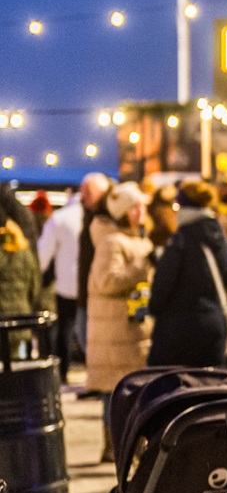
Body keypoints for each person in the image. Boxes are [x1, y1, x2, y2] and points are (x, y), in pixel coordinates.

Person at [86, 182, 154, 463]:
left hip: (133, 328)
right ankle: (114, 445)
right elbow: (105, 281)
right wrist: (142, 267)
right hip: (114, 330)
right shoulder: (112, 242)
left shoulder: (139, 238)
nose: (141, 211)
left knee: (131, 390)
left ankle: (129, 443)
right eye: (135, 207)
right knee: (114, 392)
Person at [147, 181, 227, 367]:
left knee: (174, 389)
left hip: (179, 331)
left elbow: (162, 288)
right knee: (212, 387)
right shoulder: (220, 237)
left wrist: (153, 307)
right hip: (215, 324)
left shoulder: (182, 241)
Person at [38, 184, 88, 382]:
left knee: (65, 329)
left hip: (65, 284)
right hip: (88, 284)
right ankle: (89, 371)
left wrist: (41, 275)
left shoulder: (60, 218)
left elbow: (44, 252)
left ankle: (64, 372)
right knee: (87, 328)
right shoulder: (92, 216)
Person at [75, 173, 113, 371]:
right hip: (87, 290)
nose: (83, 197)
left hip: (98, 292)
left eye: (88, 191)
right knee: (85, 339)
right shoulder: (88, 215)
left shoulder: (105, 218)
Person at [0, 219, 41, 361]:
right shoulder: (26, 255)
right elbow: (34, 287)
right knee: (14, 360)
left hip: (2, 314)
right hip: (20, 316)